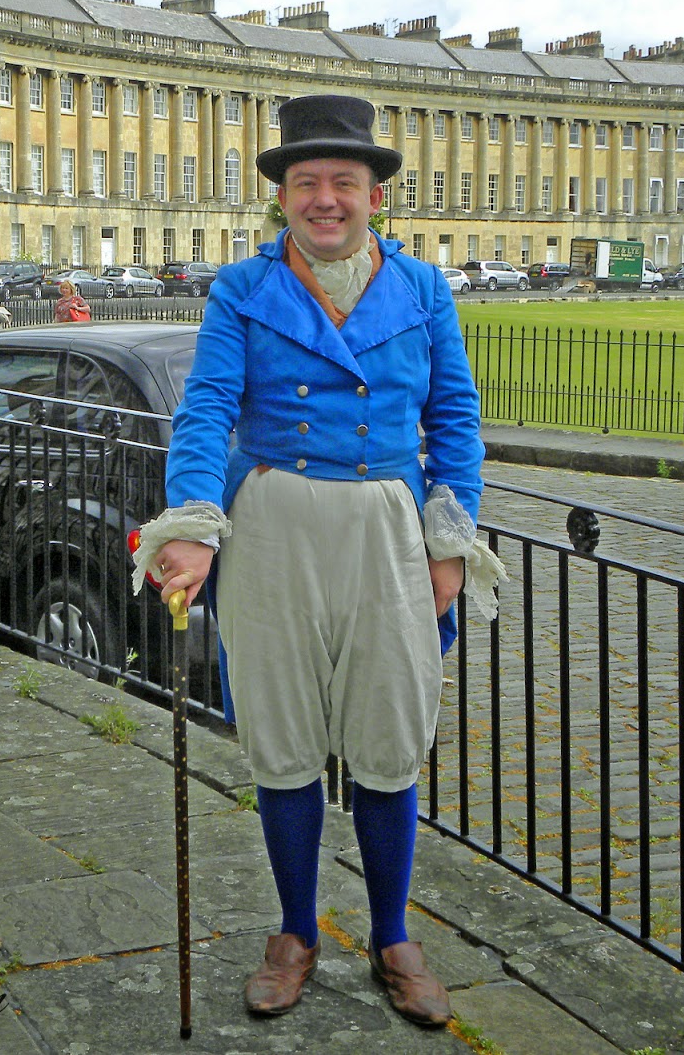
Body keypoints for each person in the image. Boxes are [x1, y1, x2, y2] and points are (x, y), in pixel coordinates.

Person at [131, 94, 503, 1027]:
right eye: (307, 182)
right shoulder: (240, 289)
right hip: (273, 525)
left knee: (387, 739)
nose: (325, 198)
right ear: (283, 196)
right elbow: (207, 407)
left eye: (344, 181)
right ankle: (296, 930)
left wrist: (450, 544)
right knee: (285, 739)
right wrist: (193, 523)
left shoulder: (423, 289)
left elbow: (455, 419)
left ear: (375, 194)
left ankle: (392, 934)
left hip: (389, 529)